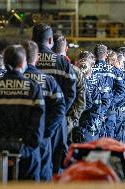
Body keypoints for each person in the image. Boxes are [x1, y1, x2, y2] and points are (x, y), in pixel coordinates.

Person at [0, 45, 45, 181]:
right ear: (23, 63)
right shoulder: (33, 88)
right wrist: (24, 150)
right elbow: (38, 124)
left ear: (4, 62)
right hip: (27, 156)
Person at [32, 23, 77, 174]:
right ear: (50, 40)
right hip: (57, 119)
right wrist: (60, 113)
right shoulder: (62, 62)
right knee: (57, 159)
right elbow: (71, 93)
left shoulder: (26, 62)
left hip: (31, 121)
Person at [23, 40, 66, 181]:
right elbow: (60, 109)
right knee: (43, 175)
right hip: (42, 137)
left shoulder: (9, 81)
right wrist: (47, 131)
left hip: (16, 140)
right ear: (37, 58)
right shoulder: (48, 81)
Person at [52, 33, 86, 144]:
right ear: (66, 49)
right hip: (67, 121)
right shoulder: (75, 70)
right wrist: (72, 119)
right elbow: (81, 100)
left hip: (45, 120)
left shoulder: (39, 68)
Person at [91, 44, 125, 139]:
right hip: (109, 111)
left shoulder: (89, 69)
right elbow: (122, 91)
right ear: (106, 55)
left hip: (92, 112)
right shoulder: (113, 70)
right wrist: (110, 103)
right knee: (109, 142)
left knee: (93, 142)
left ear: (94, 55)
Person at [76, 58, 109, 142]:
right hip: (88, 127)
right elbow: (97, 107)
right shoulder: (93, 87)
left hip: (75, 125)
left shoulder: (70, 85)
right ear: (90, 72)